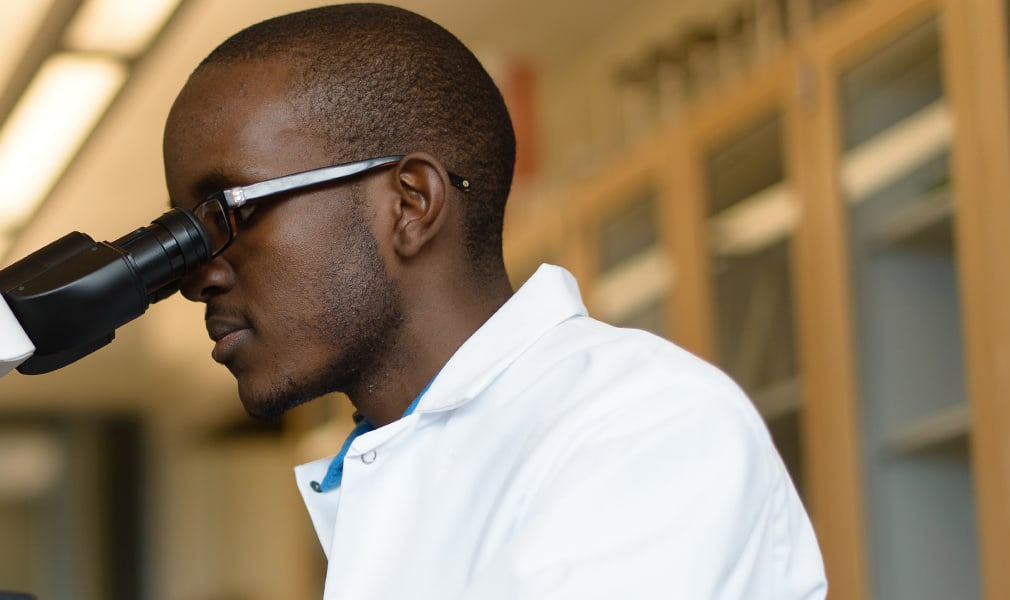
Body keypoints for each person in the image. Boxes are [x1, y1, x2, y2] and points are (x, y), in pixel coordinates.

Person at [162, 4, 828, 598]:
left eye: (227, 213)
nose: (198, 277)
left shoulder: (643, 426)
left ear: (411, 204)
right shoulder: (392, 466)